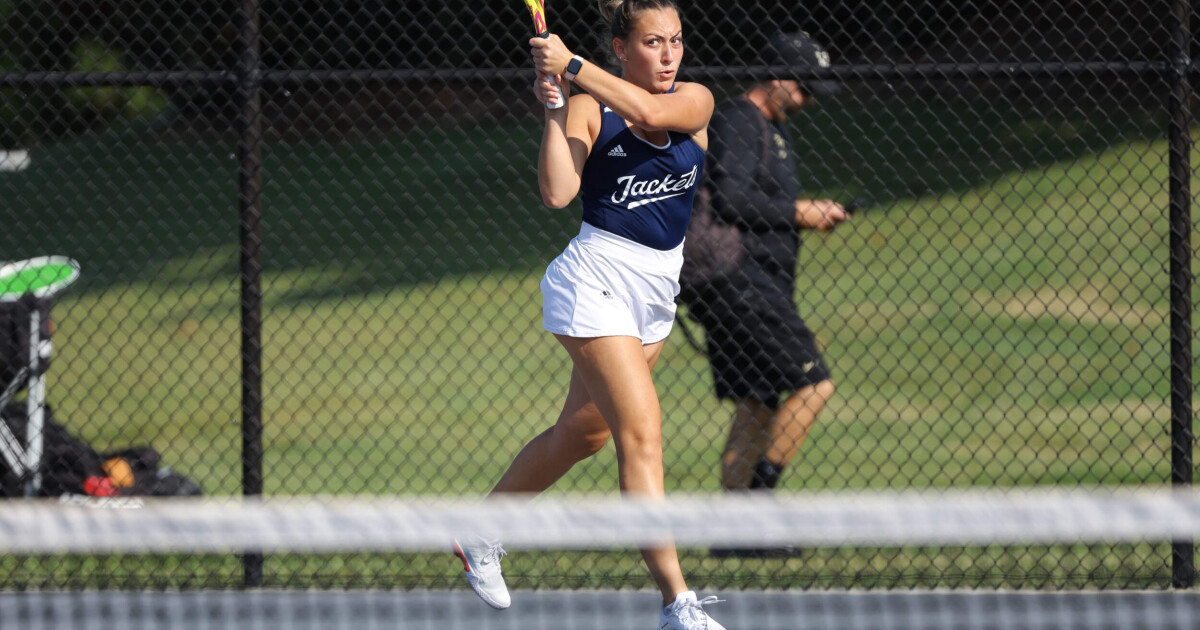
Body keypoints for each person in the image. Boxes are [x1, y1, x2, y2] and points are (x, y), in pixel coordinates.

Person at [451, 1, 726, 628]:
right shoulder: (588, 106)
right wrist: (556, 107)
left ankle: (480, 530)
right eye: (653, 42)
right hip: (595, 279)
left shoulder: (694, 101)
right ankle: (677, 604)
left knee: (584, 435)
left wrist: (571, 64)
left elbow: (652, 113)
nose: (668, 55)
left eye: (676, 41)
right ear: (621, 48)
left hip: (656, 290)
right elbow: (557, 192)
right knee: (642, 431)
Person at [684, 32, 850, 554]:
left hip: (742, 282)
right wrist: (804, 212)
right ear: (776, 77)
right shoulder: (738, 120)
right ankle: (756, 514)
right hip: (737, 280)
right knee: (813, 383)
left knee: (756, 401)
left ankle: (732, 536)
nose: (808, 100)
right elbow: (731, 199)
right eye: (803, 88)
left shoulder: (770, 128)